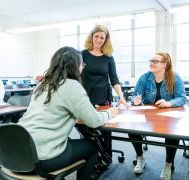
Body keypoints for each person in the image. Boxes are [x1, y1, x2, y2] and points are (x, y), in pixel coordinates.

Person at [18, 46, 118, 180]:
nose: (82, 67)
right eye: (81, 64)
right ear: (75, 65)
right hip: (41, 158)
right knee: (93, 148)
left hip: (17, 153)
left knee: (70, 141)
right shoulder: (71, 86)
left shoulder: (42, 85)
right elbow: (95, 121)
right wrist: (110, 112)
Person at [130, 52, 186, 180]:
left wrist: (169, 103)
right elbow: (134, 96)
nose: (151, 63)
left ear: (164, 64)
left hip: (168, 116)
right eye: (151, 60)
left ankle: (168, 164)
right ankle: (140, 158)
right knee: (132, 129)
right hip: (149, 116)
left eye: (155, 61)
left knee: (172, 133)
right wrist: (135, 100)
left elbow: (182, 98)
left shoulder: (175, 77)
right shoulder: (144, 78)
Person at [80, 24, 128, 169]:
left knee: (104, 129)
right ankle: (90, 156)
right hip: (85, 97)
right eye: (97, 36)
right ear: (92, 36)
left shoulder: (108, 58)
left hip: (103, 97)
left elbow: (114, 79)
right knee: (86, 128)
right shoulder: (82, 54)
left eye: (102, 37)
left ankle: (105, 159)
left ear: (106, 39)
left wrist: (121, 96)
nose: (99, 40)